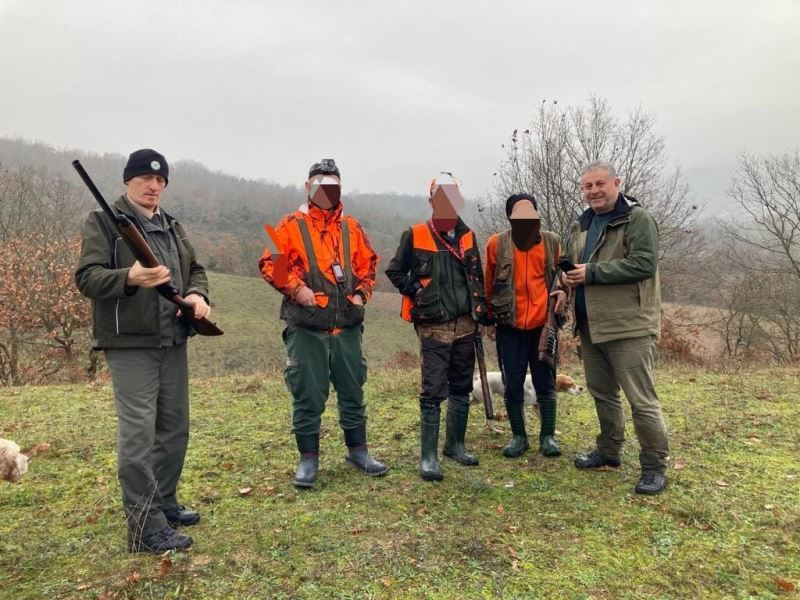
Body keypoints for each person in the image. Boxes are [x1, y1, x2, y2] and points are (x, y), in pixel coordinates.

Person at [75, 149, 210, 552]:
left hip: (173, 337)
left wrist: (197, 294)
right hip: (131, 343)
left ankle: (164, 503)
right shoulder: (103, 222)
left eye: (160, 181)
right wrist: (129, 277)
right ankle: (144, 527)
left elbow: (196, 268)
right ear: (127, 182)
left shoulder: (172, 225)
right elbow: (87, 278)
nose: (153, 187)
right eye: (144, 181)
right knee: (137, 437)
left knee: (174, 429)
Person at [259, 159, 388, 489]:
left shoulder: (353, 227)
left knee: (353, 391)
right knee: (307, 396)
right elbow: (269, 262)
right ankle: (308, 461)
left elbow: (369, 265)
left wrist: (361, 294)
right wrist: (296, 288)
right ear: (308, 187)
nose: (326, 191)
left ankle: (358, 452)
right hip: (306, 330)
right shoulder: (287, 225)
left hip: (347, 328)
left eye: (333, 185)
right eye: (319, 184)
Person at [561, 160, 670, 495]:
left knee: (642, 400)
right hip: (591, 326)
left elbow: (643, 263)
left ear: (616, 183)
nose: (593, 191)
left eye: (599, 184)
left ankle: (654, 466)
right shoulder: (582, 225)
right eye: (587, 186)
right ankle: (609, 451)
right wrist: (562, 282)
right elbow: (572, 265)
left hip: (629, 326)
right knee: (602, 394)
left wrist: (592, 272)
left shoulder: (638, 219)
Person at [385, 176, 490, 481]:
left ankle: (455, 446)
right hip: (434, 326)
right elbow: (394, 270)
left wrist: (482, 316)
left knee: (461, 386)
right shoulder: (415, 234)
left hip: (466, 324)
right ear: (431, 201)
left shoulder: (468, 235)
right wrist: (416, 289)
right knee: (432, 390)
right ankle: (429, 457)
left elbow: (477, 277)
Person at [484, 193, 567, 459]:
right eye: (518, 212)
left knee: (546, 381)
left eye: (529, 211)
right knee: (513, 383)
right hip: (510, 326)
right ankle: (519, 437)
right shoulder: (497, 244)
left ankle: (548, 437)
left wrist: (563, 296)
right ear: (509, 216)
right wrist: (488, 320)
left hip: (544, 327)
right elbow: (489, 282)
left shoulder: (552, 242)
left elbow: (563, 278)